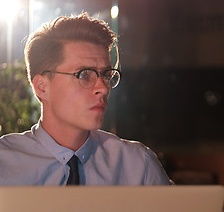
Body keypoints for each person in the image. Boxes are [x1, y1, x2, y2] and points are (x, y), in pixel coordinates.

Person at [0, 12, 172, 185]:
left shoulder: (137, 166)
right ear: (41, 87)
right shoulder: (4, 164)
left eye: (106, 75)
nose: (103, 88)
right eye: (84, 74)